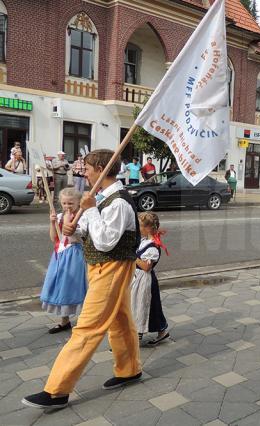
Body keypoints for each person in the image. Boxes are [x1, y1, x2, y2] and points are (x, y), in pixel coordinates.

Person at [23, 149, 142, 410]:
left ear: (100, 168)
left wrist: (90, 211)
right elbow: (87, 233)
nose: (84, 173)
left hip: (111, 267)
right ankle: (129, 369)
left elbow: (106, 241)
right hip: (100, 266)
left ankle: (57, 390)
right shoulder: (100, 198)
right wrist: (72, 228)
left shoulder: (119, 202)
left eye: (87, 168)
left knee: (87, 327)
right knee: (120, 319)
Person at [40, 188, 87, 334]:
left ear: (78, 203)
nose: (67, 206)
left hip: (74, 254)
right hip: (60, 255)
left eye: (70, 203)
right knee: (61, 286)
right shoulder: (59, 216)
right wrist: (52, 223)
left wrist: (68, 220)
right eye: (64, 203)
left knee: (75, 286)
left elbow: (76, 237)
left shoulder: (81, 217)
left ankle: (85, 322)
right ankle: (64, 321)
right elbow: (54, 238)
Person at [129, 212, 170, 345]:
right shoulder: (144, 241)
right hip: (138, 278)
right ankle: (161, 330)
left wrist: (132, 256)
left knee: (140, 305)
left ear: (148, 228)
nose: (138, 228)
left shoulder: (152, 247)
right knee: (151, 306)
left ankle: (136, 336)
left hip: (144, 280)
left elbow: (146, 267)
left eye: (140, 226)